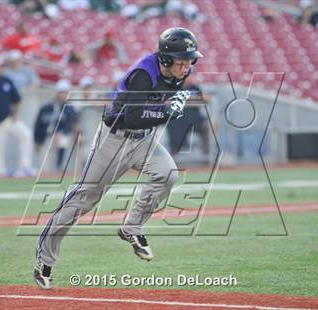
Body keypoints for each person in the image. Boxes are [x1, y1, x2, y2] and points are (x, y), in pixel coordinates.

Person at [33, 27, 203, 289]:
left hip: (143, 137)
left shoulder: (181, 71)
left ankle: (132, 227)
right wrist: (169, 111)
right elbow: (133, 116)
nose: (187, 67)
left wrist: (171, 105)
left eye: (190, 60)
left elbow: (157, 107)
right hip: (114, 139)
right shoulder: (142, 74)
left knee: (168, 174)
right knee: (85, 198)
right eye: (181, 61)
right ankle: (44, 259)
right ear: (165, 59)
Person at [34, 79, 78, 171]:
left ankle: (60, 167)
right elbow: (39, 125)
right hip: (47, 137)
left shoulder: (69, 108)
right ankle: (45, 175)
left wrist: (60, 132)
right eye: (61, 92)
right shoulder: (47, 107)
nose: (63, 95)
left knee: (63, 142)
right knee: (43, 155)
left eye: (65, 92)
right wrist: (37, 141)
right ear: (57, 93)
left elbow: (71, 123)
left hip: (62, 136)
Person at [167, 75, 209, 155]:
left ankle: (207, 154)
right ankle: (175, 152)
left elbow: (206, 98)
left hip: (195, 119)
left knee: (208, 125)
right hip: (178, 119)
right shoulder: (174, 87)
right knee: (172, 122)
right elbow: (167, 101)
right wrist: (190, 99)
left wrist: (185, 99)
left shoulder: (194, 87)